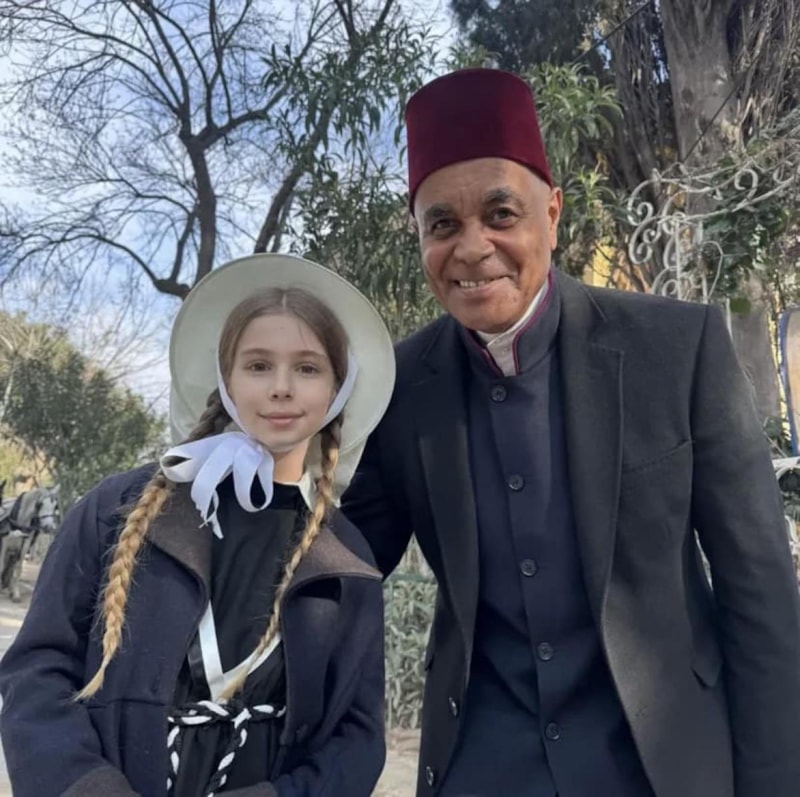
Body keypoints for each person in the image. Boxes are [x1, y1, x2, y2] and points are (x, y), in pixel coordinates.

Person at [342, 68, 800, 797]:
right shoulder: (397, 385)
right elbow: (342, 561)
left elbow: (760, 591)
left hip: (663, 763)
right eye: (443, 225)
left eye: (501, 213)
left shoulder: (678, 348)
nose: (473, 248)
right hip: (480, 768)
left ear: (552, 214)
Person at [0, 253, 396, 797]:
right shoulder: (117, 508)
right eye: (258, 365)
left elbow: (357, 736)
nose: (281, 387)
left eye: (308, 368)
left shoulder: (347, 557)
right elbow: (37, 672)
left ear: (337, 388)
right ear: (226, 378)